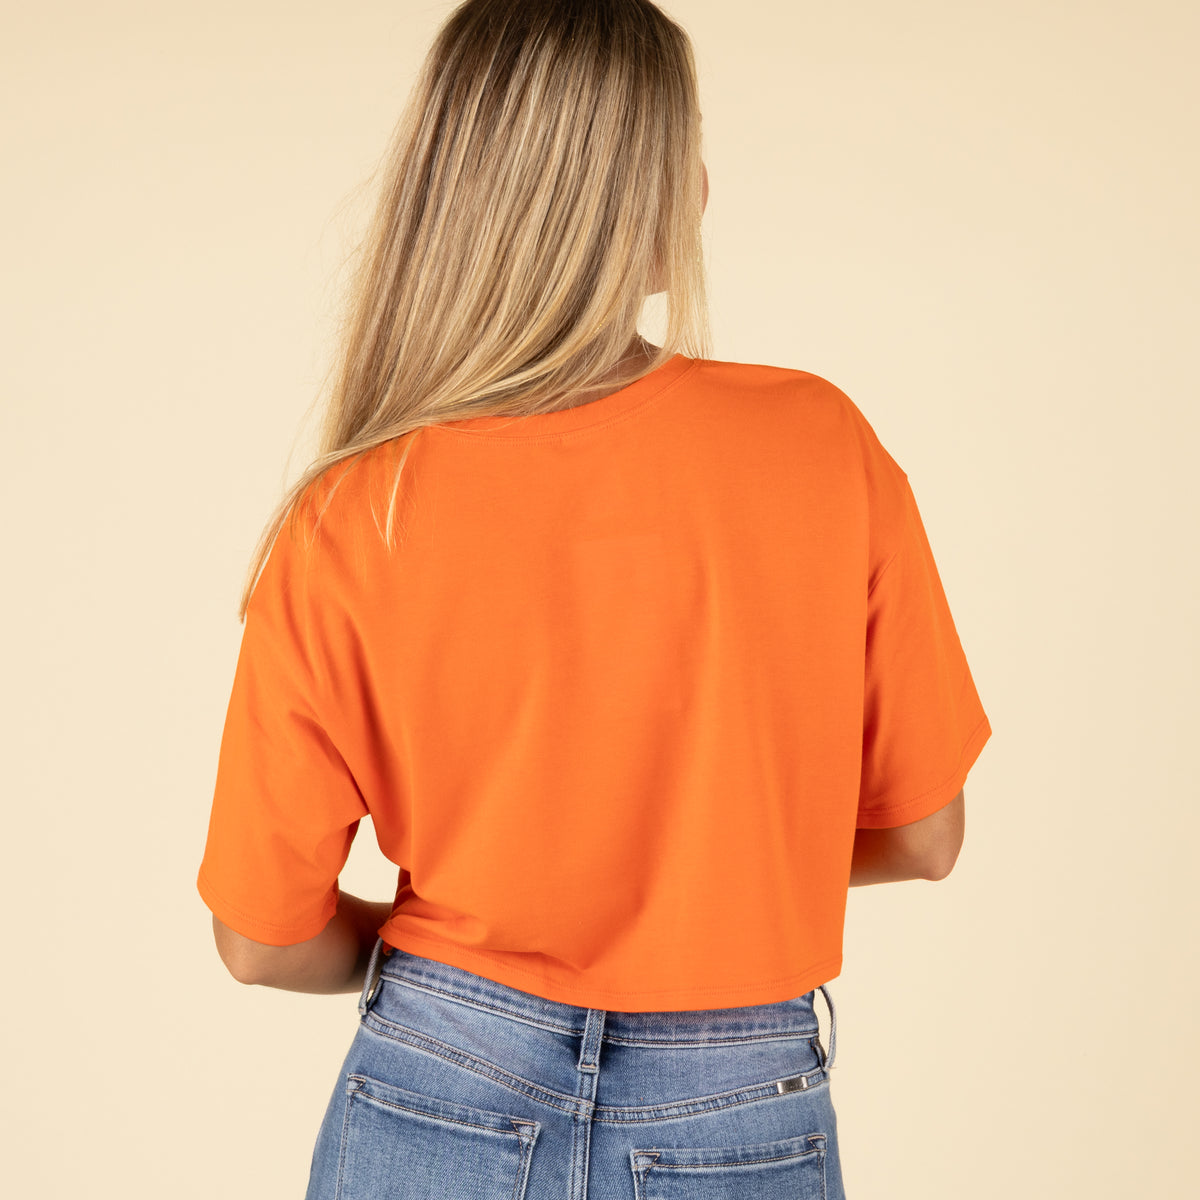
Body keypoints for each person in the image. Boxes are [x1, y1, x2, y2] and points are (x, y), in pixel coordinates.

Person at [196, 2, 991, 1197]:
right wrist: (713, 863)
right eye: (685, 149)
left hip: (436, 1068)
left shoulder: (358, 508)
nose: (707, 183)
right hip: (737, 1098)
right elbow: (927, 836)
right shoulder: (819, 445)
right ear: (645, 193)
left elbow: (260, 941)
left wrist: (444, 962)